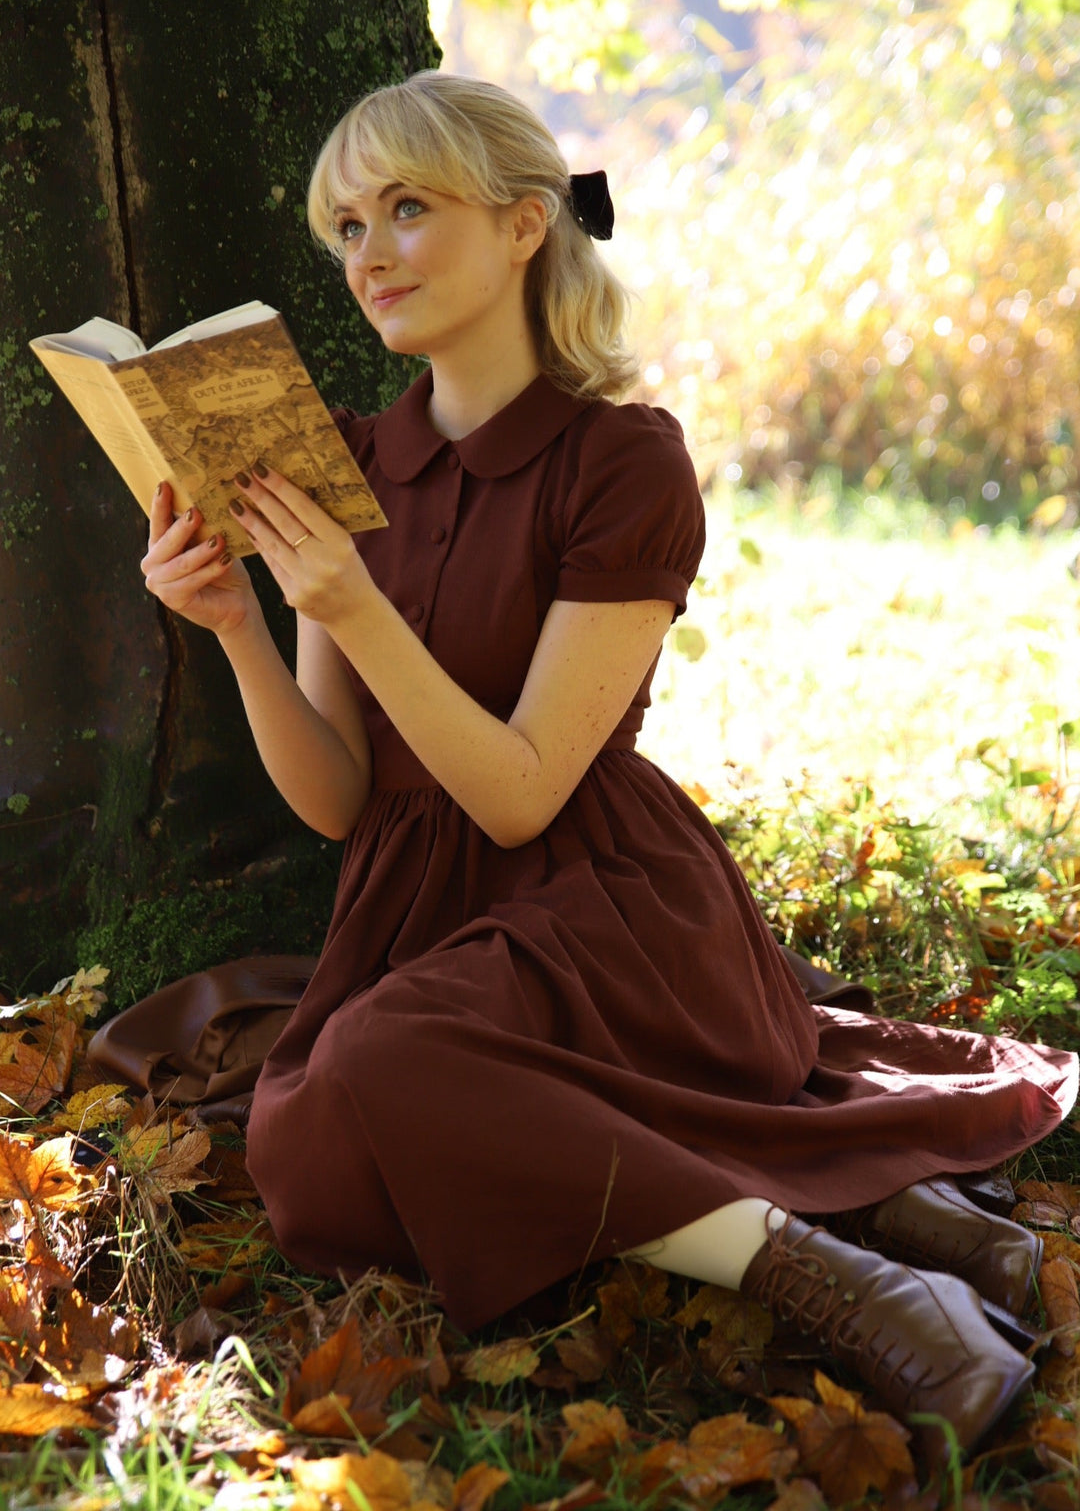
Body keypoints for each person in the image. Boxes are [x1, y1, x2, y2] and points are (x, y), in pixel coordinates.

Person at [135, 72, 1076, 1468]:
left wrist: (349, 606)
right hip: (412, 909)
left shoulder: (622, 460)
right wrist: (237, 631)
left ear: (525, 227)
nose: (369, 255)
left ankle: (837, 1279)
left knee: (384, 1068)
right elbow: (339, 798)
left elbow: (520, 789)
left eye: (407, 209)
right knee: (310, 1144)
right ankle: (872, 1213)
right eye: (345, 226)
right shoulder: (343, 461)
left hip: (603, 902)